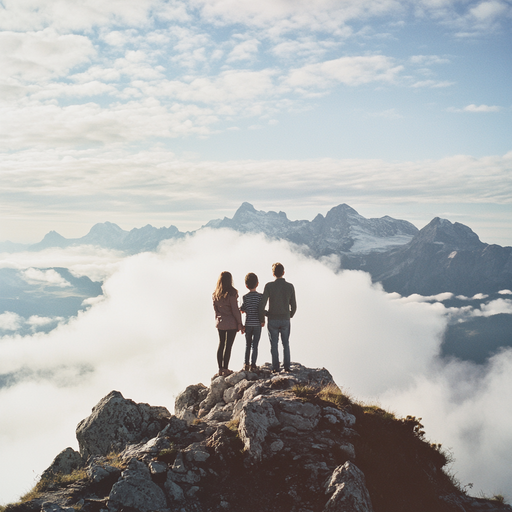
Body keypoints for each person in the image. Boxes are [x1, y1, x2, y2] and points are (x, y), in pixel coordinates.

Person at [258, 262, 297, 373]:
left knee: (274, 344)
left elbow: (262, 305)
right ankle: (287, 367)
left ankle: (275, 367)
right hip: (285, 319)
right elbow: (294, 306)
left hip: (272, 319)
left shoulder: (269, 286)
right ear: (283, 273)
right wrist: (290, 314)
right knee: (286, 343)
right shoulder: (290, 286)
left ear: (273, 273)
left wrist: (265, 315)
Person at [212, 271, 242, 377]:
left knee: (221, 344)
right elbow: (235, 310)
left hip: (220, 323)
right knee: (228, 346)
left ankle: (220, 369)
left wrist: (218, 320)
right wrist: (240, 323)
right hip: (231, 324)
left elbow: (216, 310)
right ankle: (225, 368)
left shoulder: (215, 294)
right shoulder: (232, 293)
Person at [240, 272, 265, 371]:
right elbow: (261, 309)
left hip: (248, 324)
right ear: (257, 284)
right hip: (258, 324)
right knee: (255, 345)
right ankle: (253, 364)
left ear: (246, 286)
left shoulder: (245, 297)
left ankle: (246, 364)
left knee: (248, 345)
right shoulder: (261, 297)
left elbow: (243, 308)